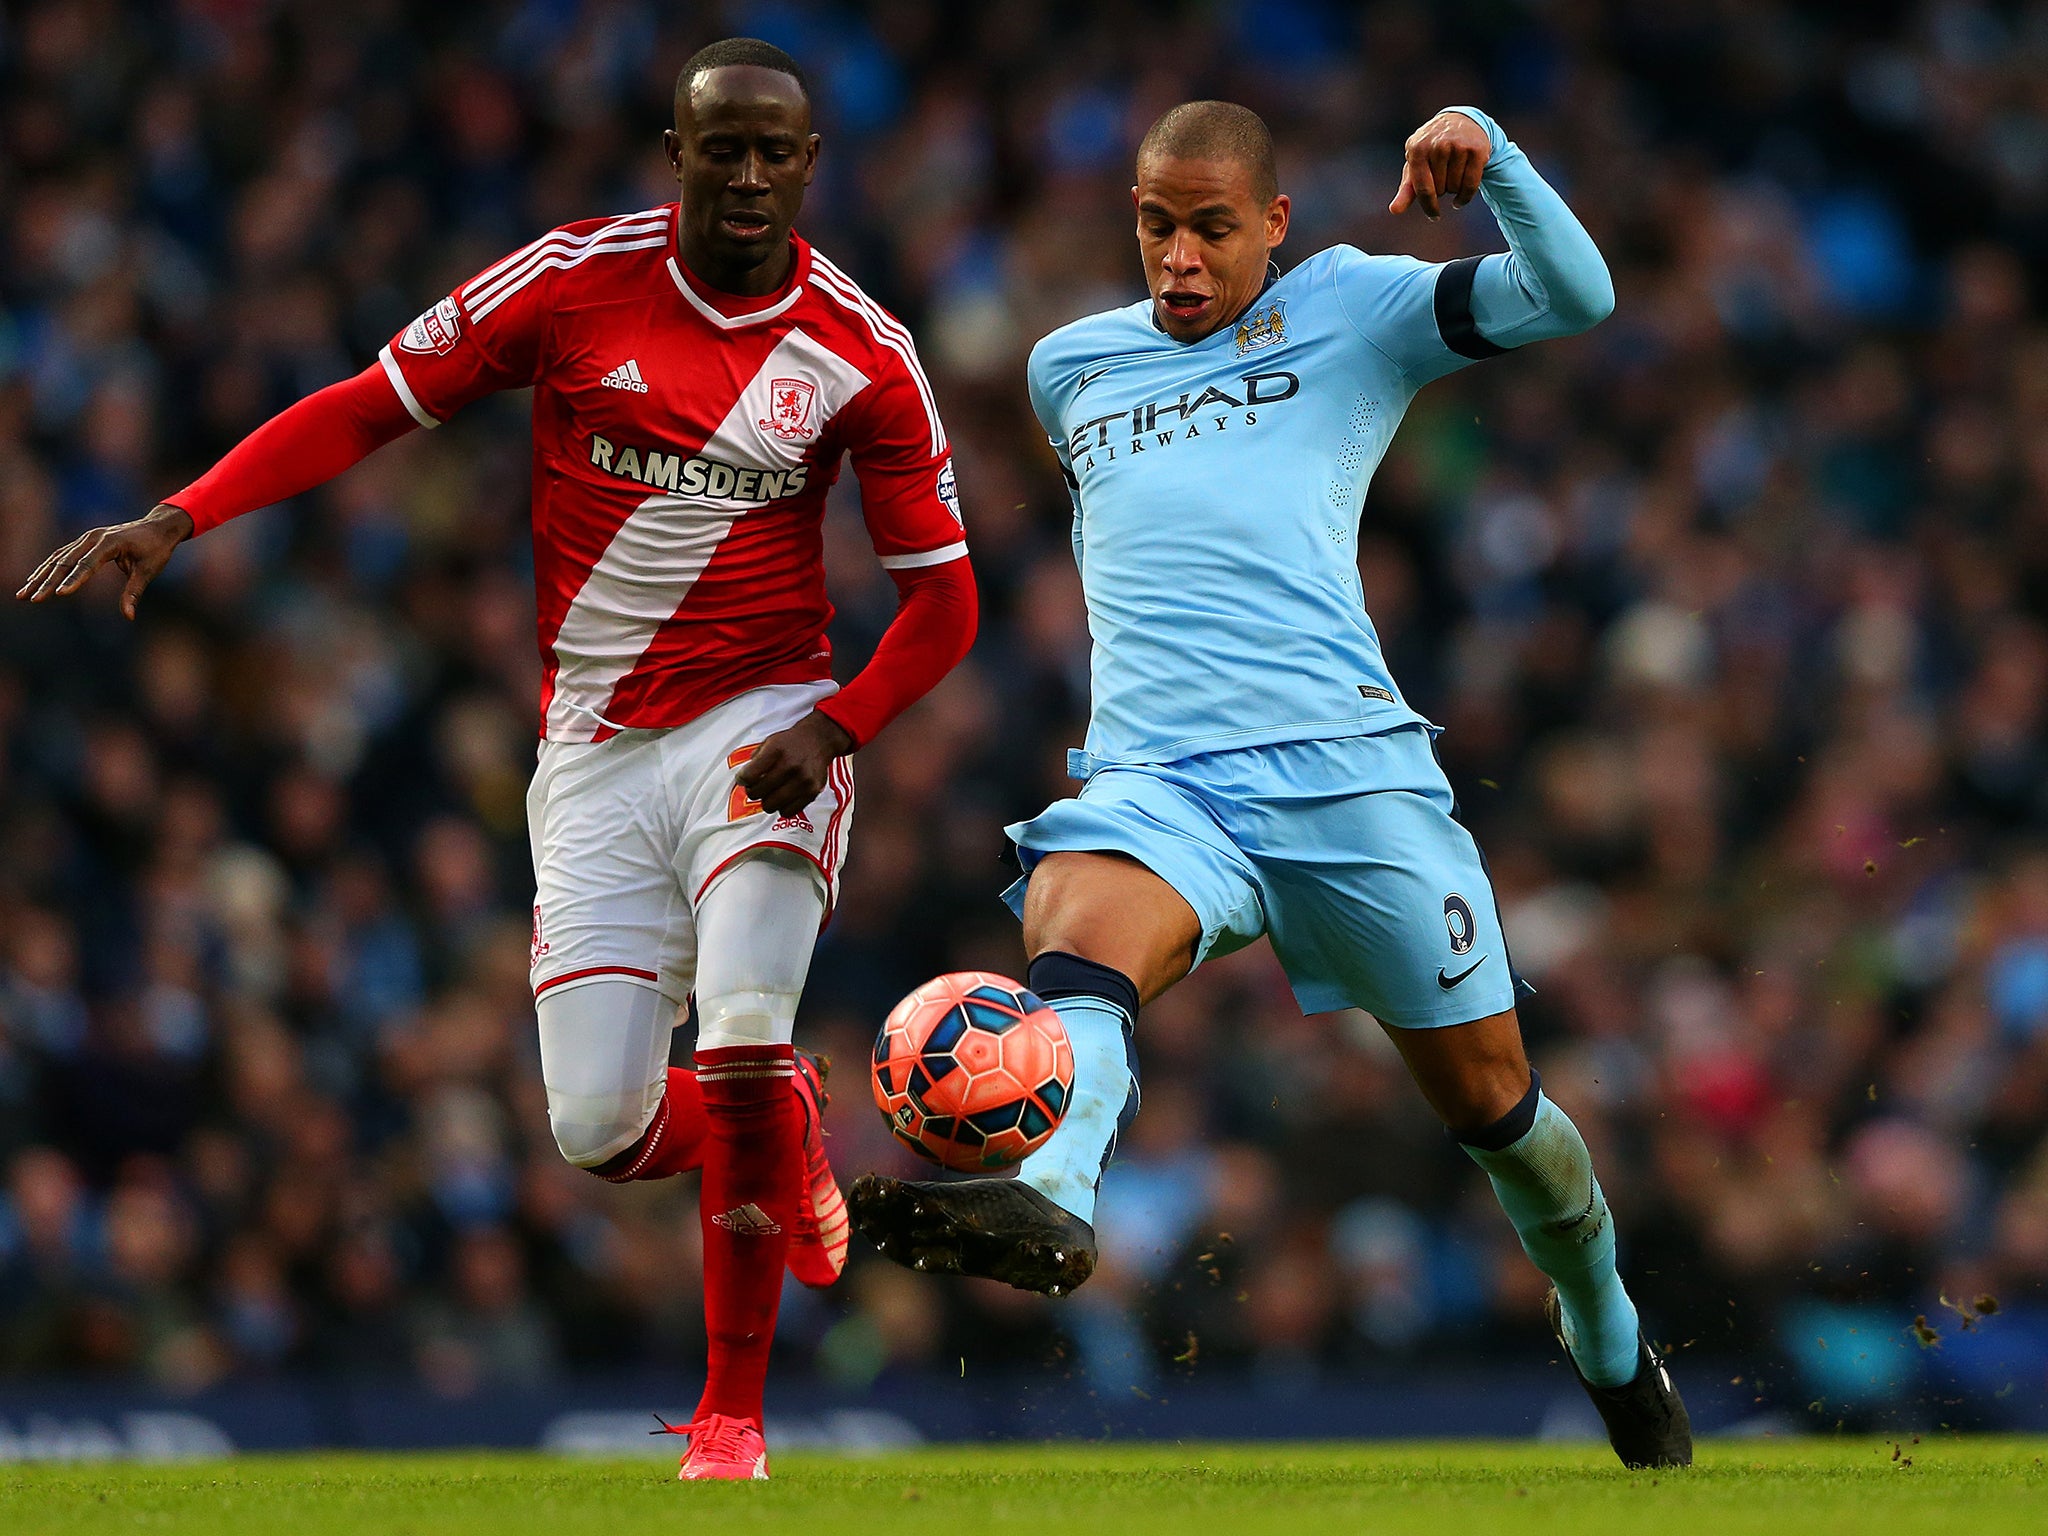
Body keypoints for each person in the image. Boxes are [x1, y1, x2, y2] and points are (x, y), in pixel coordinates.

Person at [18, 38, 977, 1483]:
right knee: (596, 1129)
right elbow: (363, 403)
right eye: (723, 147)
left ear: (811, 166)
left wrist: (832, 728)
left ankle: (730, 1421)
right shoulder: (569, 282)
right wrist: (183, 513)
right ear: (677, 153)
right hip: (590, 748)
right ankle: (773, 1126)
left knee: (739, 1030)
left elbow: (946, 602)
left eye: (778, 151)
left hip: (761, 726)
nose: (750, 175)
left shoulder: (862, 356)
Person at [850, 101, 1689, 1469]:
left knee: (1498, 1117)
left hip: (1352, 785)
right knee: (1074, 927)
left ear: (1275, 224)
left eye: (1210, 228)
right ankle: (1054, 1189)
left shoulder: (1356, 310)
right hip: (1160, 783)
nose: (1177, 256)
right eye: (1153, 224)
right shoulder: (1071, 367)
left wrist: (1501, 159)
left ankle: (1601, 1322)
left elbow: (1575, 295)